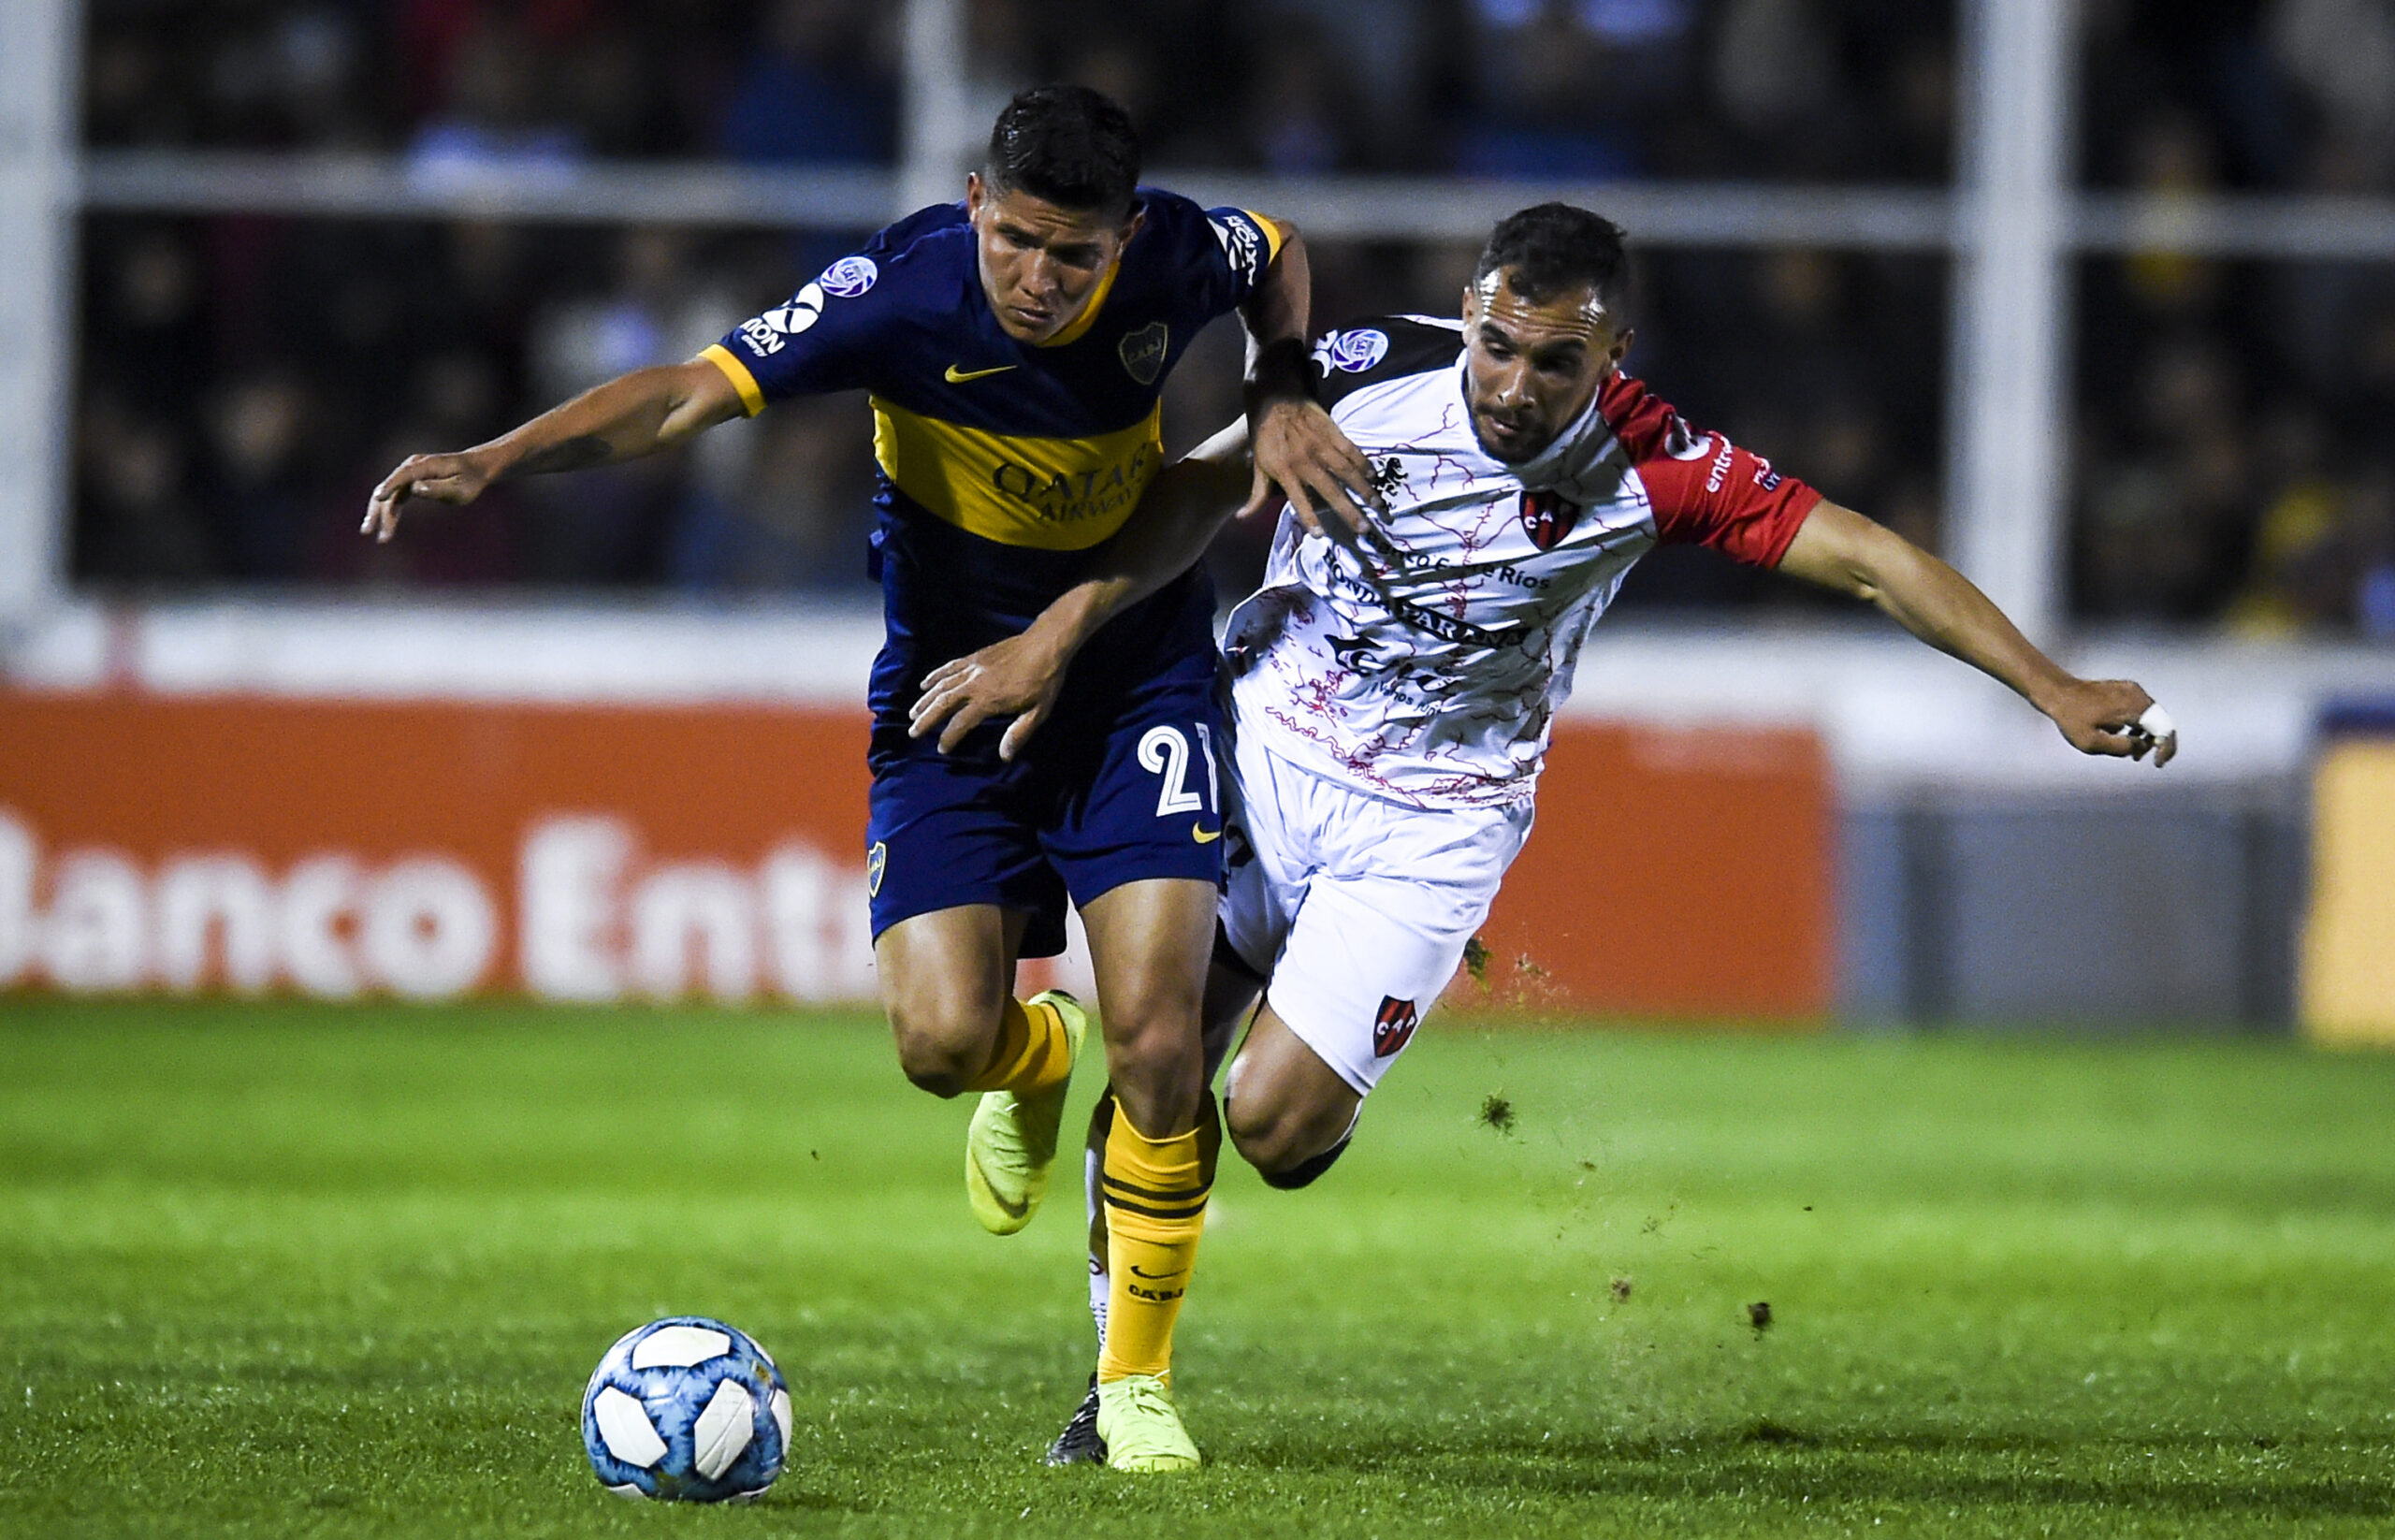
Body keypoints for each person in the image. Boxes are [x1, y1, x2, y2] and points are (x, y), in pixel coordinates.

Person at [903, 202, 2180, 1464]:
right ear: (1468, 311)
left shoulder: (1654, 463)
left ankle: (1296, 1074)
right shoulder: (1364, 373)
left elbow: (1868, 560)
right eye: (1499, 345)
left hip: (1433, 823)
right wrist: (1056, 636)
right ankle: (1121, 1387)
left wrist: (2051, 687)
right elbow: (1192, 492)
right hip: (1259, 751)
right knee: (1158, 1059)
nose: (1515, 387)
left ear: (1611, 355)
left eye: (1556, 362)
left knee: (1275, 1128)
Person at [359, 85, 1382, 1473]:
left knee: (1160, 1038)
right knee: (941, 1045)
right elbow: (687, 395)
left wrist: (1283, 382)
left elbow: (1276, 249)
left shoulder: (1177, 257)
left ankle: (1133, 1384)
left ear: (1126, 239)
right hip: (950, 690)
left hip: (1129, 670)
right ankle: (1034, 1055)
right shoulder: (901, 293)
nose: (1038, 278)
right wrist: (498, 459)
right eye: (1015, 240)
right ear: (975, 205)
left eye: (1073, 255)